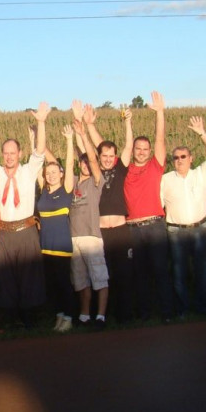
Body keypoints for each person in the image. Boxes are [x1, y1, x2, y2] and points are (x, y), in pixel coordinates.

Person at [0, 102, 49, 328]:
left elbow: (41, 151)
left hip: (26, 230)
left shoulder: (28, 171)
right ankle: (10, 317)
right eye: (5, 153)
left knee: (29, 274)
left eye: (13, 153)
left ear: (20, 153)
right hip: (4, 232)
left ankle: (29, 317)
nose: (9, 157)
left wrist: (41, 122)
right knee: (6, 277)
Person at [161, 110, 206, 318]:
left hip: (199, 229)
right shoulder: (166, 179)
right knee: (179, 273)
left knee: (202, 272)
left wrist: (203, 132)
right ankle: (183, 310)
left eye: (183, 157)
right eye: (176, 157)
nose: (179, 160)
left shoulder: (200, 174)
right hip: (176, 231)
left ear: (191, 158)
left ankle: (204, 309)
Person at [122, 91, 174, 321]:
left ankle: (167, 312)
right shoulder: (125, 169)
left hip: (154, 226)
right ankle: (143, 314)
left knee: (161, 271)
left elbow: (161, 139)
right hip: (132, 228)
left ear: (150, 151)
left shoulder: (155, 166)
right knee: (139, 274)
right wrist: (127, 122)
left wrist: (160, 114)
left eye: (145, 149)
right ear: (133, 151)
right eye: (138, 149)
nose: (141, 152)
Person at [82, 101, 134, 323]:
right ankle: (105, 314)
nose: (108, 158)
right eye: (104, 155)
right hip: (101, 232)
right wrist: (87, 127)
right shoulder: (96, 174)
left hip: (121, 230)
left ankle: (125, 315)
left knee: (124, 273)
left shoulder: (121, 168)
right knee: (104, 275)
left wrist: (128, 122)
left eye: (111, 155)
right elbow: (95, 150)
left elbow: (129, 147)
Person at [70, 116, 110, 328]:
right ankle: (85, 315)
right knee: (81, 280)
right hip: (73, 238)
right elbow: (56, 165)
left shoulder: (97, 181)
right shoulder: (74, 181)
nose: (86, 165)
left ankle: (101, 316)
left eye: (88, 162)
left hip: (92, 237)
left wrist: (83, 133)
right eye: (83, 162)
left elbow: (93, 160)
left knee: (99, 278)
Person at [36, 125, 76, 332]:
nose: (51, 175)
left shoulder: (66, 190)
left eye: (54, 172)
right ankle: (59, 316)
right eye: (47, 173)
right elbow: (37, 159)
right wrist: (35, 138)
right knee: (52, 285)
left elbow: (69, 164)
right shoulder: (43, 192)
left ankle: (69, 318)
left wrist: (69, 140)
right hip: (45, 247)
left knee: (63, 284)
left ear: (60, 174)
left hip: (61, 246)